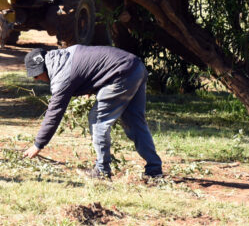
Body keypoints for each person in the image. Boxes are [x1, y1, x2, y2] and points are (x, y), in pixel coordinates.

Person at [22, 45, 163, 179]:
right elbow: (91, 67)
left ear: (42, 69)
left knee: (97, 120)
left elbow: (54, 113)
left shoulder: (61, 77)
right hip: (136, 67)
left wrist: (38, 145)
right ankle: (154, 169)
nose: (36, 79)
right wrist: (89, 87)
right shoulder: (65, 55)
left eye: (36, 75)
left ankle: (102, 170)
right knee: (135, 122)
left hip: (121, 74)